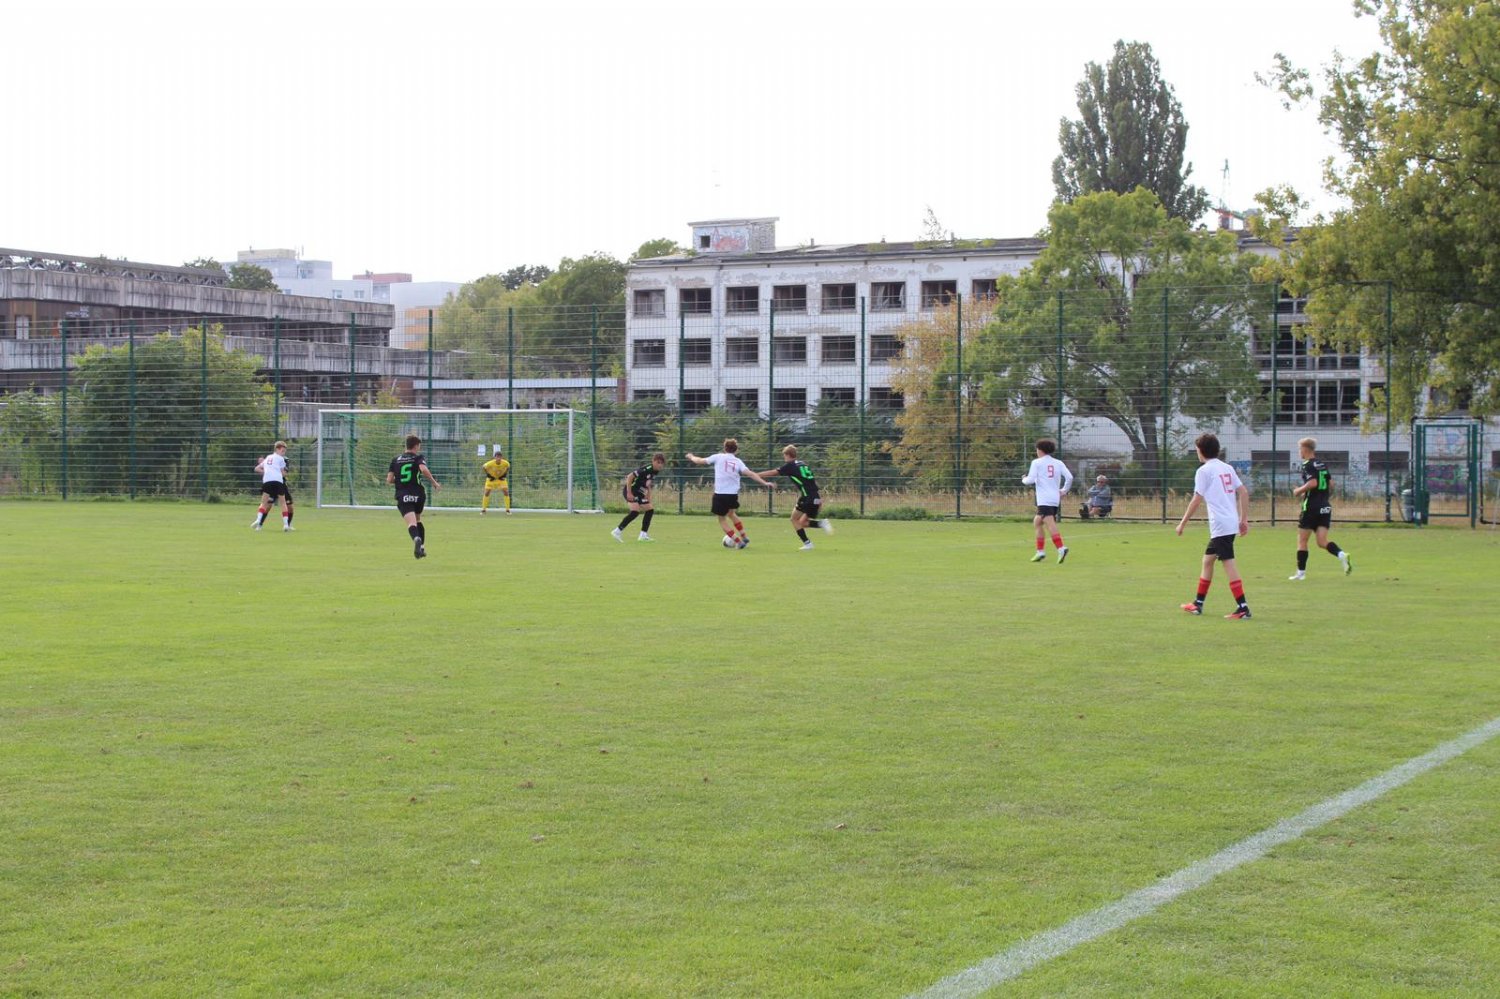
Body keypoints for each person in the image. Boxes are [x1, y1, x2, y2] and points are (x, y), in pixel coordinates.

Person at [1176, 432, 1252, 619]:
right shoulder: (1227, 467)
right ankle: (1198, 604)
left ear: (1201, 451)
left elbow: (1196, 499)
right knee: (1208, 561)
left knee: (1228, 563)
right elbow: (1243, 492)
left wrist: (1182, 523)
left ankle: (1243, 608)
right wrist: (1243, 520)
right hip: (1229, 522)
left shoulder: (1204, 471)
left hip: (1220, 525)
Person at [685, 438, 775, 549]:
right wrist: (765, 483)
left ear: (725, 448)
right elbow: (750, 473)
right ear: (736, 450)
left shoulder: (718, 457)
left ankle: (738, 541)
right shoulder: (738, 461)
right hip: (733, 495)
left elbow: (699, 461)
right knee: (731, 514)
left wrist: (691, 456)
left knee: (722, 520)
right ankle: (744, 536)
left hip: (720, 494)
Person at [1289, 437, 1352, 580]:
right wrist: (1320, 495)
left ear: (1305, 449)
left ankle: (1300, 574)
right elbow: (1331, 484)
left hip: (1311, 507)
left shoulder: (1307, 465)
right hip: (1325, 507)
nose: (1299, 452)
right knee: (1322, 541)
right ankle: (1342, 555)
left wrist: (1298, 491)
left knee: (1302, 541)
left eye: (1300, 449)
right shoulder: (1322, 464)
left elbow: (1313, 483)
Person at [757, 444, 834, 550]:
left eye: (784, 455)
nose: (784, 458)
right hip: (814, 496)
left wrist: (756, 475)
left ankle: (814, 535)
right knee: (799, 521)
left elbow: (773, 472)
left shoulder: (790, 465)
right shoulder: (802, 464)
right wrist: (819, 499)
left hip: (807, 497)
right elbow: (812, 481)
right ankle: (813, 535)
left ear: (788, 455)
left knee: (797, 520)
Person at [387, 434, 441, 559]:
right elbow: (424, 470)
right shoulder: (418, 458)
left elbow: (389, 480)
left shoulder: (395, 460)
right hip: (418, 494)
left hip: (403, 495)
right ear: (416, 446)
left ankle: (416, 538)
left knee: (411, 523)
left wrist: (400, 480)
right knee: (418, 520)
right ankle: (421, 549)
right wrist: (434, 483)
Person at [1022, 438, 1072, 563]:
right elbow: (1069, 477)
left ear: (1040, 450)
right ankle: (1040, 552)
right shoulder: (1058, 463)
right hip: (1054, 499)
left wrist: (1023, 479)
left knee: (1050, 523)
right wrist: (1064, 490)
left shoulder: (1037, 462)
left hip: (1044, 499)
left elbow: (1030, 480)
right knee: (1037, 522)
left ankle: (1061, 548)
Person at [613, 452, 666, 542]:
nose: (660, 465)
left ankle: (643, 535)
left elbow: (648, 484)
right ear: (653, 461)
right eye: (658, 462)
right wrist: (629, 493)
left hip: (639, 493)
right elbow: (630, 477)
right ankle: (617, 531)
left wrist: (648, 496)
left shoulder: (655, 471)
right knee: (635, 511)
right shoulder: (646, 469)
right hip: (631, 491)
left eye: (662, 463)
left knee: (650, 510)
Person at [251, 441, 295, 532]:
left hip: (280, 484)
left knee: (290, 506)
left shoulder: (277, 458)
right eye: (282, 450)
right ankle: (260, 524)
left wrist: (270, 471)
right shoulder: (278, 459)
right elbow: (283, 473)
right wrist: (271, 471)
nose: (284, 452)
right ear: (277, 449)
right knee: (269, 505)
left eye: (285, 451)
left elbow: (285, 473)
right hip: (277, 482)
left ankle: (288, 525)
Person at [481, 447, 511, 515]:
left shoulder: (505, 463)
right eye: (497, 457)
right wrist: (488, 475)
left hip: (501, 479)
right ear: (494, 457)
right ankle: (483, 509)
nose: (498, 458)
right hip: (491, 479)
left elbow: (508, 466)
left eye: (500, 457)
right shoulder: (490, 463)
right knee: (487, 492)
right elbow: (483, 467)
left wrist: (504, 474)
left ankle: (507, 510)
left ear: (501, 457)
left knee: (506, 491)